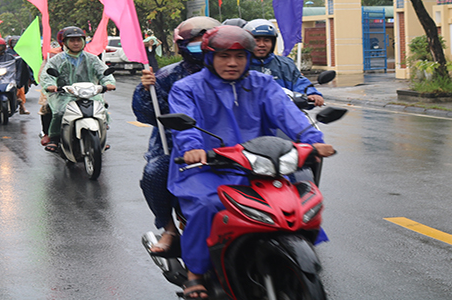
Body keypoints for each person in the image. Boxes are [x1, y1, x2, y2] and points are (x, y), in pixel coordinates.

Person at [167, 25, 335, 299]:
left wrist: (312, 139)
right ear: (210, 57)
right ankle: (195, 274)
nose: (232, 63)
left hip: (258, 165)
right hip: (207, 167)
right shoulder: (187, 88)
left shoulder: (262, 83)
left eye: (240, 56)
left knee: (294, 203)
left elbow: (288, 114)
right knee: (207, 206)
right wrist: (193, 148)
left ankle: (292, 256)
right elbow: (186, 126)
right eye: (223, 56)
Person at [131, 16, 221, 257]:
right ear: (182, 45)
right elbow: (149, 114)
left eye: (207, 41)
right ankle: (169, 228)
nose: (202, 46)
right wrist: (145, 89)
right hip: (175, 145)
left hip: (227, 143)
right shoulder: (168, 76)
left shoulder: (234, 71)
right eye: (195, 42)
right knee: (154, 173)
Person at [39, 26, 116, 153]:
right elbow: (47, 75)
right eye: (72, 40)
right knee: (59, 112)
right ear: (65, 43)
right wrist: (50, 85)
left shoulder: (92, 58)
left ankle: (101, 138)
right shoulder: (57, 59)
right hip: (64, 93)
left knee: (101, 108)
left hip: (89, 93)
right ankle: (55, 138)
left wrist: (108, 83)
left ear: (84, 42)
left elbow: (103, 72)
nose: (76, 43)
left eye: (79, 40)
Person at [243, 19, 324, 106]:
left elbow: (299, 81)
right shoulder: (242, 65)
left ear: (273, 42)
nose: (262, 44)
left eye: (266, 40)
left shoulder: (285, 64)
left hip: (284, 114)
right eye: (257, 40)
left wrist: (311, 94)